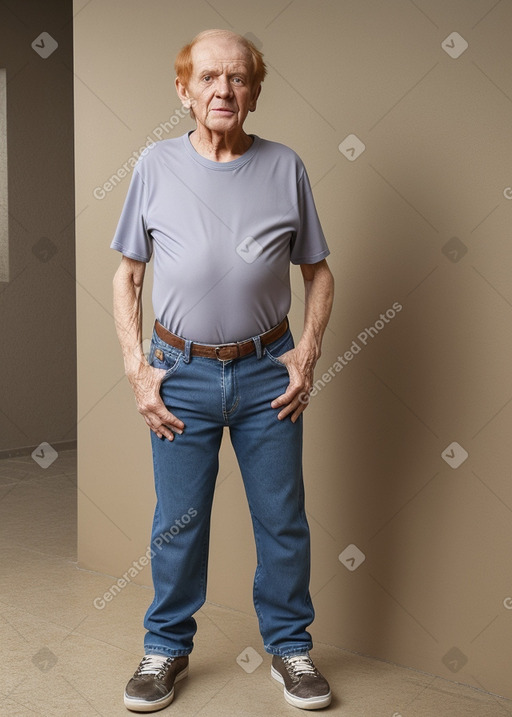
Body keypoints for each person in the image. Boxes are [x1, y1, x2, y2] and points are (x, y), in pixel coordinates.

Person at [112, 28, 334, 712]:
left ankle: (291, 647)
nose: (223, 91)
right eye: (208, 78)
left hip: (270, 369)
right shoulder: (153, 164)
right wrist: (137, 367)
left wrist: (309, 349)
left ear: (254, 93)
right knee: (177, 521)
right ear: (184, 92)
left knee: (282, 518)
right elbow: (128, 275)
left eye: (237, 79)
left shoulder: (284, 165)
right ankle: (166, 646)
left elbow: (318, 271)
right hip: (180, 371)